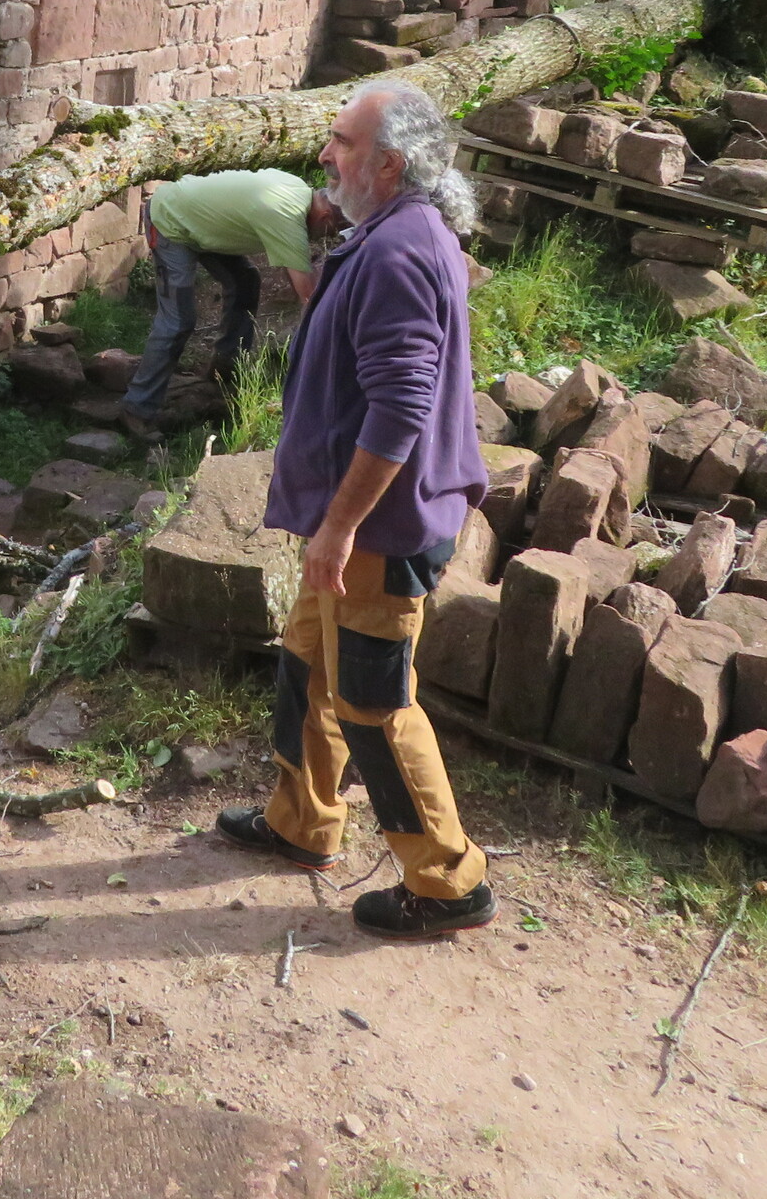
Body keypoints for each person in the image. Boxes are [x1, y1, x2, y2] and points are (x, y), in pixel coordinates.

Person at [216, 83, 496, 939]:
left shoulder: (399, 252)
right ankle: (302, 823)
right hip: (352, 528)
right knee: (307, 666)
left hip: (377, 531)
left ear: (390, 164)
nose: (325, 156)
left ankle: (449, 883)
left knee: (374, 702)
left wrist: (338, 528)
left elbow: (401, 406)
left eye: (341, 142)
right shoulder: (387, 232)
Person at [120, 169, 344, 441]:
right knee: (177, 321)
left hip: (202, 222)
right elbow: (309, 298)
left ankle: (224, 371)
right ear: (325, 217)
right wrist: (325, 355)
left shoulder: (296, 188)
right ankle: (137, 408)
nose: (324, 238)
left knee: (245, 282)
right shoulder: (286, 216)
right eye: (331, 231)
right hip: (169, 220)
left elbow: (296, 274)